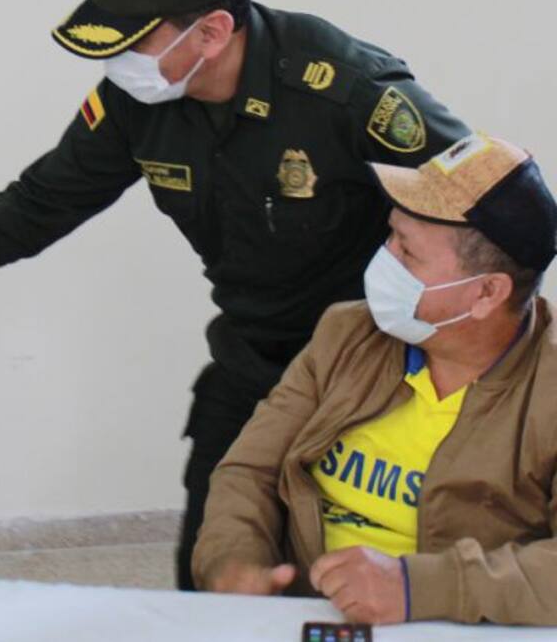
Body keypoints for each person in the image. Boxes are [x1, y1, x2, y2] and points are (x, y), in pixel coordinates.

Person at [0, 0, 470, 588]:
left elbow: (497, 205)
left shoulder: (342, 87)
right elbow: (37, 207)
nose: (117, 61)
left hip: (374, 373)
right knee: (209, 575)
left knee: (350, 582)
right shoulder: (138, 102)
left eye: (135, 41)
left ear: (214, 32)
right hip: (253, 361)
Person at [193, 133, 557, 625]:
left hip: (457, 626)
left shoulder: (547, 389)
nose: (384, 260)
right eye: (390, 235)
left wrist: (416, 588)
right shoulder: (347, 333)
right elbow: (249, 470)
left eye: (407, 252)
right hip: (308, 616)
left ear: (487, 293)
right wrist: (234, 559)